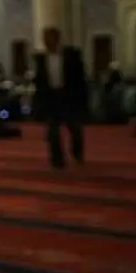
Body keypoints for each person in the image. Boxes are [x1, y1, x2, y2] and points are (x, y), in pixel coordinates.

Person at [32, 26, 88, 168]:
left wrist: (82, 99)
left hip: (69, 97)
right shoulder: (40, 59)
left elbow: (80, 79)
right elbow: (39, 82)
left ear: (58, 39)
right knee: (52, 131)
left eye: (51, 38)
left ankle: (77, 152)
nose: (48, 42)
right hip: (51, 98)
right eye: (46, 39)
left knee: (75, 129)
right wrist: (38, 102)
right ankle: (57, 160)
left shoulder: (72, 55)